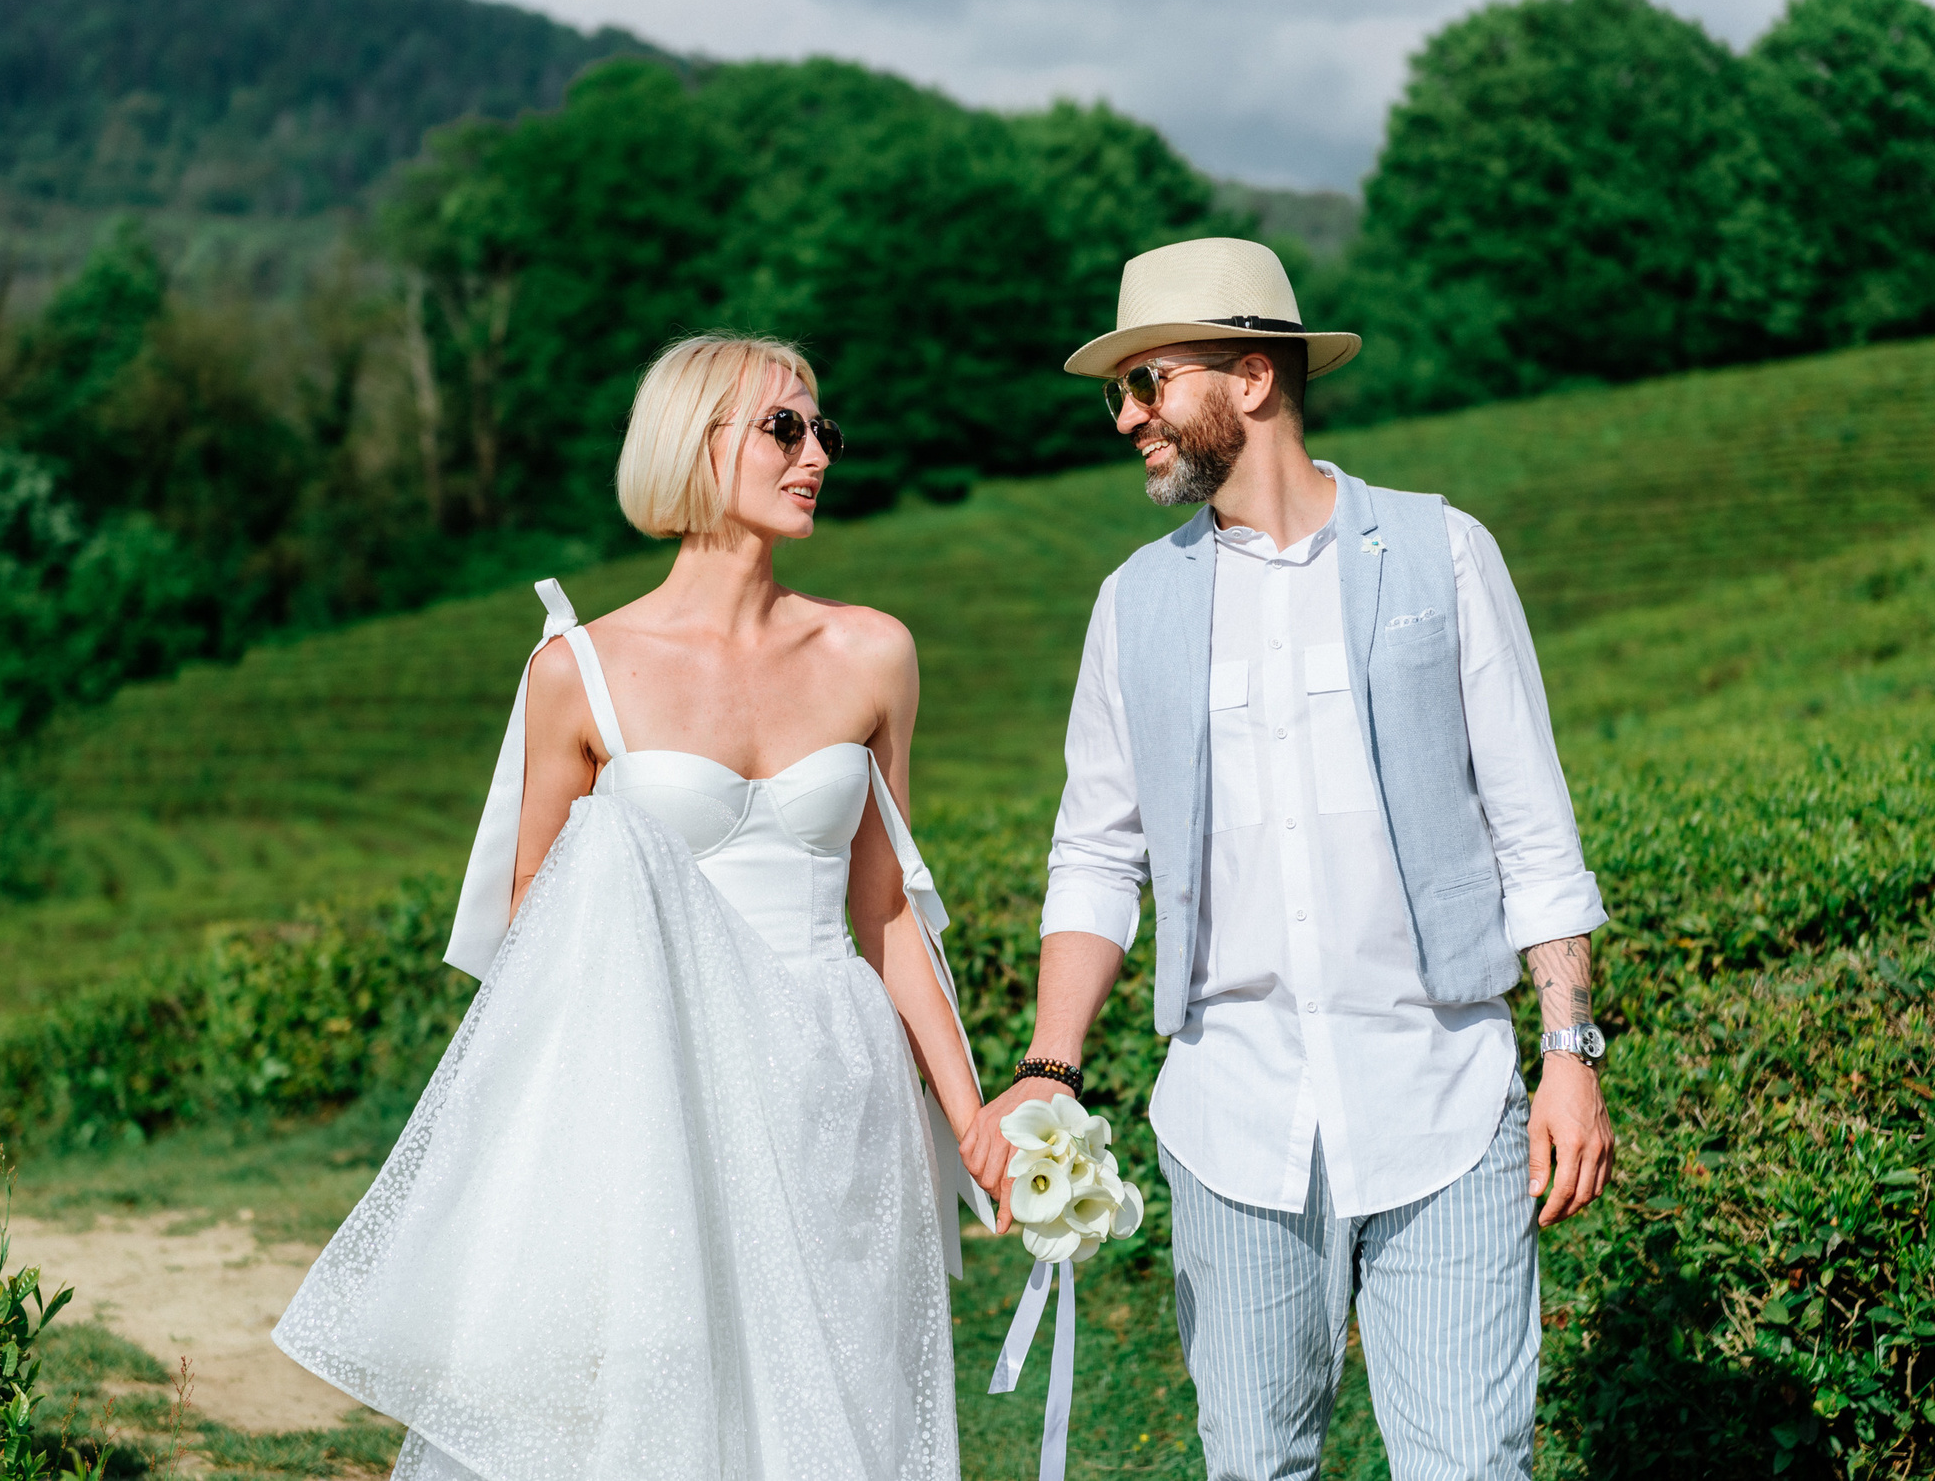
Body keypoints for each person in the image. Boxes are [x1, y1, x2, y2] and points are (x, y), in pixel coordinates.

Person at [276, 333, 993, 1481]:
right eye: (784, 428)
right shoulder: (579, 669)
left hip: (833, 1090)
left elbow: (891, 911)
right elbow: (535, 944)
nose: (817, 455)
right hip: (658, 1101)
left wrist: (970, 1119)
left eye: (825, 433)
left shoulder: (874, 654)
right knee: (650, 1418)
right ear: (692, 444)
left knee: (838, 1421)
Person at [963, 239, 1616, 1479]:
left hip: (1448, 1104)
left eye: (1147, 384)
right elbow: (1097, 854)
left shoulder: (1444, 554)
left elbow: (1533, 830)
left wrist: (1568, 1055)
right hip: (1233, 1123)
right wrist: (1050, 1062)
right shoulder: (1131, 605)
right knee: (1254, 1469)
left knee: (1474, 1469)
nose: (1125, 419)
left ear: (1250, 378)